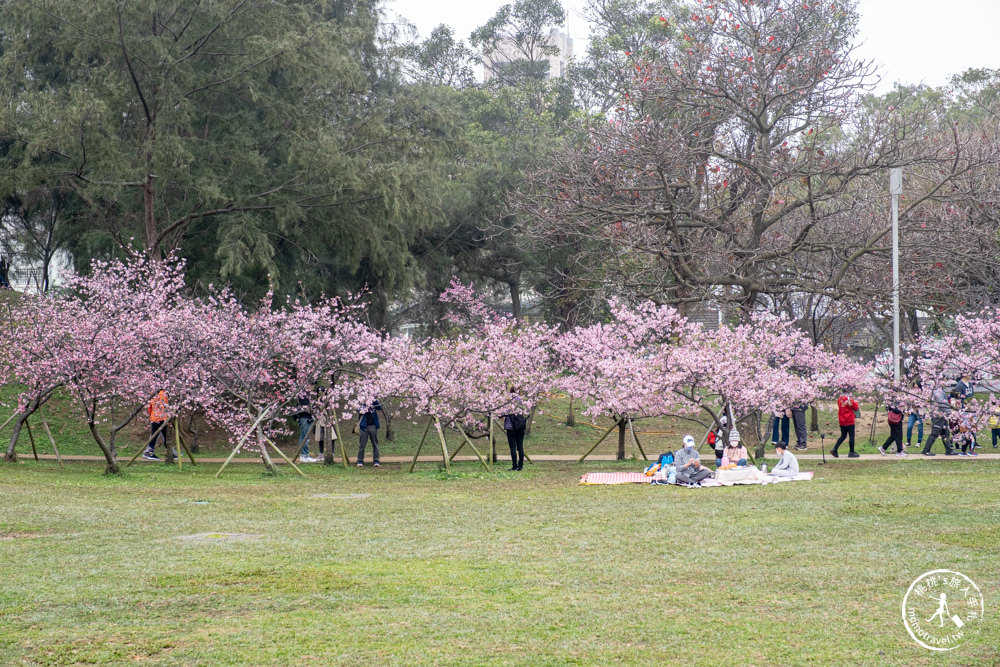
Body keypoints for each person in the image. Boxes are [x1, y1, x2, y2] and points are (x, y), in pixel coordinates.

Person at [921, 385, 958, 456]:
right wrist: (950, 411)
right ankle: (926, 450)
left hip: (942, 414)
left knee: (945, 432)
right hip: (938, 414)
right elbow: (941, 403)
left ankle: (949, 450)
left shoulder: (938, 389)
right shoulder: (937, 390)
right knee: (935, 433)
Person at [502, 393, 528, 471]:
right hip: (520, 428)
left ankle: (514, 466)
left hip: (510, 429)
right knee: (520, 447)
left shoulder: (508, 403)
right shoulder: (522, 403)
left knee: (513, 448)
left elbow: (501, 415)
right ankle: (520, 466)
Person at [143, 389, 169, 460]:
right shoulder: (163, 394)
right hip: (162, 417)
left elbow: (150, 407)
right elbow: (164, 406)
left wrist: (151, 415)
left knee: (156, 435)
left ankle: (171, 452)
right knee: (162, 435)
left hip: (155, 417)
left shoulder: (153, 393)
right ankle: (150, 452)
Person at [832, 394, 860, 458]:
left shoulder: (839, 399)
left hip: (842, 420)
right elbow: (855, 407)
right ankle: (851, 452)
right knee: (851, 436)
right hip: (849, 420)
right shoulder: (849, 399)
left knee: (843, 435)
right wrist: (855, 401)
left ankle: (835, 449)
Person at [357, 399, 383, 468]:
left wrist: (374, 400)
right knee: (362, 444)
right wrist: (364, 403)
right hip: (363, 426)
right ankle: (360, 460)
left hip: (373, 425)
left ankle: (376, 460)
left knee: (375, 443)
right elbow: (359, 411)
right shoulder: (360, 400)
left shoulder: (373, 401)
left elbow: (380, 407)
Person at [295, 394, 317, 463]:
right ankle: (304, 455)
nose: (313, 386)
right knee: (305, 436)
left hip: (306, 417)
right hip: (305, 418)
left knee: (305, 436)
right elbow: (305, 408)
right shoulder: (303, 396)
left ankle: (305, 455)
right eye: (312, 384)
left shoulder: (306, 395)